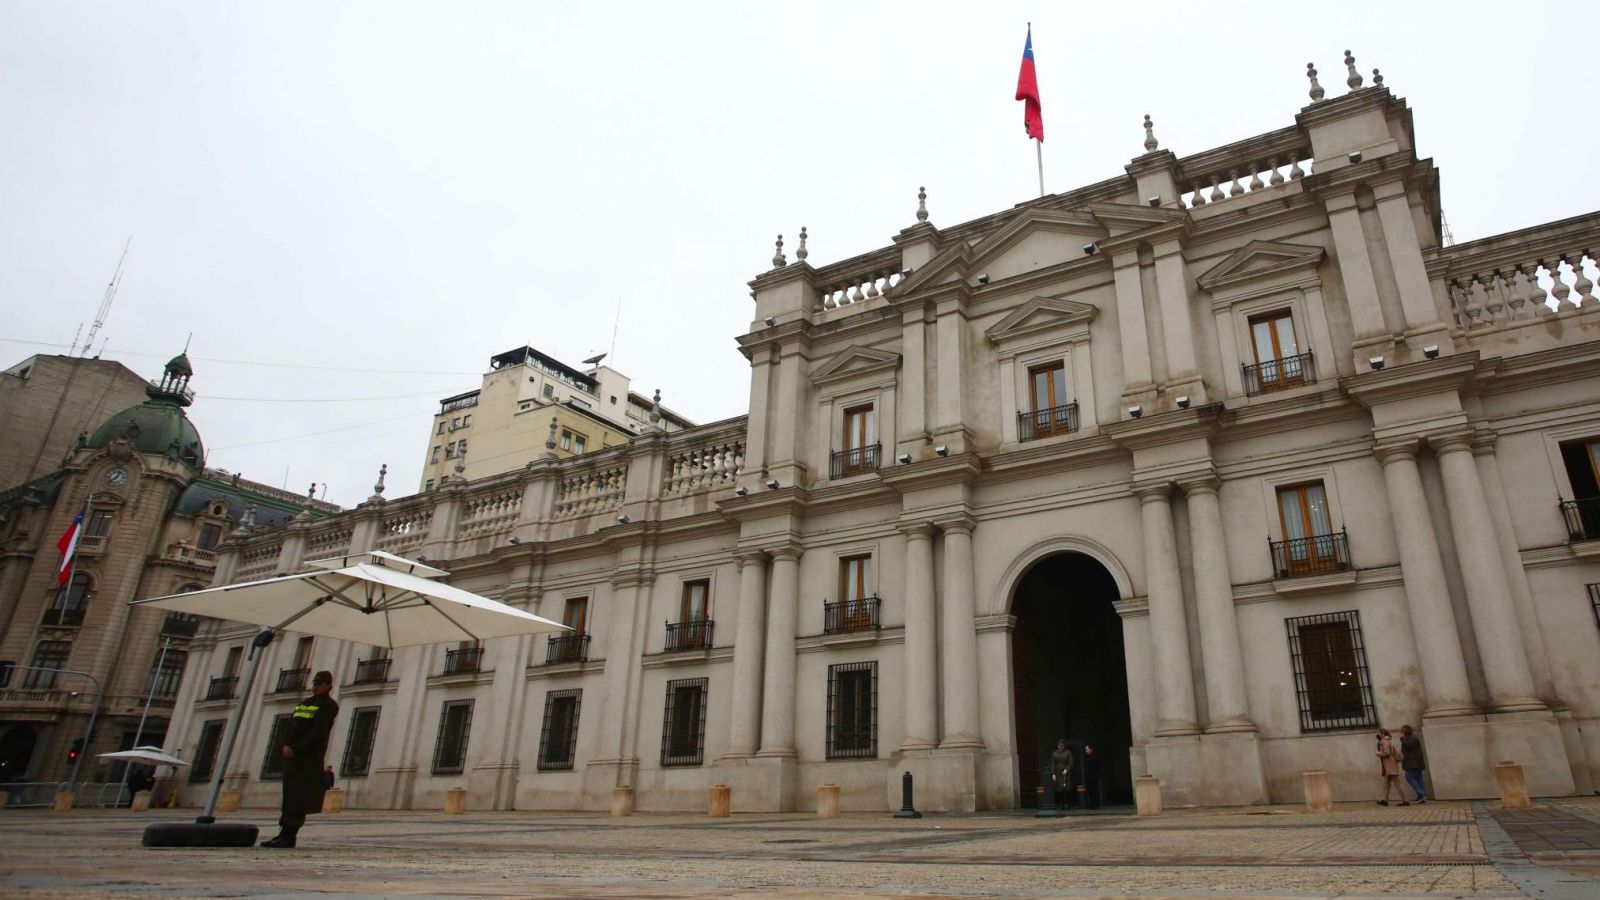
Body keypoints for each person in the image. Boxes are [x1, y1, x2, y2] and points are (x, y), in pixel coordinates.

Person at [261, 670, 339, 849]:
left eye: (320, 683)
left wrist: (296, 748)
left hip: (307, 759)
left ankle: (289, 835)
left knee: (298, 797)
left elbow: (317, 733)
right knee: (290, 796)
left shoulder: (328, 706)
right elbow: (290, 727)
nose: (316, 686)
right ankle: (284, 833)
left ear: (328, 685)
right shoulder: (304, 704)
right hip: (293, 758)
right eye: (315, 683)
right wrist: (284, 745)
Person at [1374, 727, 1407, 806]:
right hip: (1389, 765)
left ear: (1382, 733)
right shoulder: (1387, 740)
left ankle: (1405, 800)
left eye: (1378, 733)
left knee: (1397, 783)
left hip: (1390, 765)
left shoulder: (1384, 741)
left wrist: (1378, 753)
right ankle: (1384, 800)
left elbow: (1387, 752)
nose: (1377, 734)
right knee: (1387, 784)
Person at [1399, 724, 1427, 803]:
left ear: (1405, 731)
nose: (1401, 732)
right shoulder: (1409, 738)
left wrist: (1403, 739)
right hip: (1414, 763)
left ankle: (1421, 794)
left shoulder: (1413, 738)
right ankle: (1422, 796)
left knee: (1409, 778)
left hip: (1413, 763)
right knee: (1419, 779)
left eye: (1402, 731)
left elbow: (1409, 745)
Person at [1049, 739, 1074, 809]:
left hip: (1066, 773)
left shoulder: (1068, 752)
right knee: (1059, 789)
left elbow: (1070, 762)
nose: (1061, 747)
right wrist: (1053, 773)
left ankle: (1068, 804)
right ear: (1057, 746)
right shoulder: (1054, 753)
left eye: (1062, 745)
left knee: (1067, 789)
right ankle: (1061, 804)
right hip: (1058, 773)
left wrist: (1067, 770)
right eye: (1060, 745)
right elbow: (1053, 764)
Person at [1081, 744, 1103, 809]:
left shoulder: (1095, 757)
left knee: (1094, 791)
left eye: (1087, 749)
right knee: (1089, 791)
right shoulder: (1085, 758)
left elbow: (1098, 767)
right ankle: (1091, 804)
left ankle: (1095, 804)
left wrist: (1098, 775)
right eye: (1086, 749)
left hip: (1094, 777)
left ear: (1091, 749)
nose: (1086, 751)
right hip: (1088, 777)